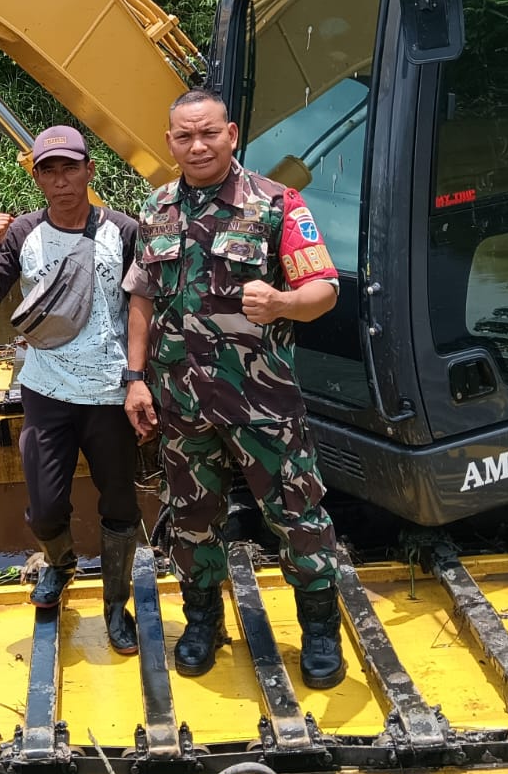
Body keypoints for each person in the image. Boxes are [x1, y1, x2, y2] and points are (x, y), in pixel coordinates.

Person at [122, 89, 346, 688]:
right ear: (170, 142)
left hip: (262, 403)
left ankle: (320, 631)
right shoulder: (157, 208)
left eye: (209, 133)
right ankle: (202, 623)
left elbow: (324, 290)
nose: (198, 145)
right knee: (192, 520)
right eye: (185, 136)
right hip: (182, 403)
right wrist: (135, 379)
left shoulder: (276, 204)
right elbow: (141, 297)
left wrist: (281, 302)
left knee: (297, 517)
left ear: (232, 133)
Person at [0, 124, 156, 655]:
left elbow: (144, 308)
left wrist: (140, 381)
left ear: (89, 171)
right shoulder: (24, 232)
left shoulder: (122, 231)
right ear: (37, 178)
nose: (60, 181)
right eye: (48, 171)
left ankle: (116, 607)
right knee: (46, 506)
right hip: (46, 391)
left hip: (108, 392)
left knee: (119, 503)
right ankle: (60, 562)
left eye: (70, 168)